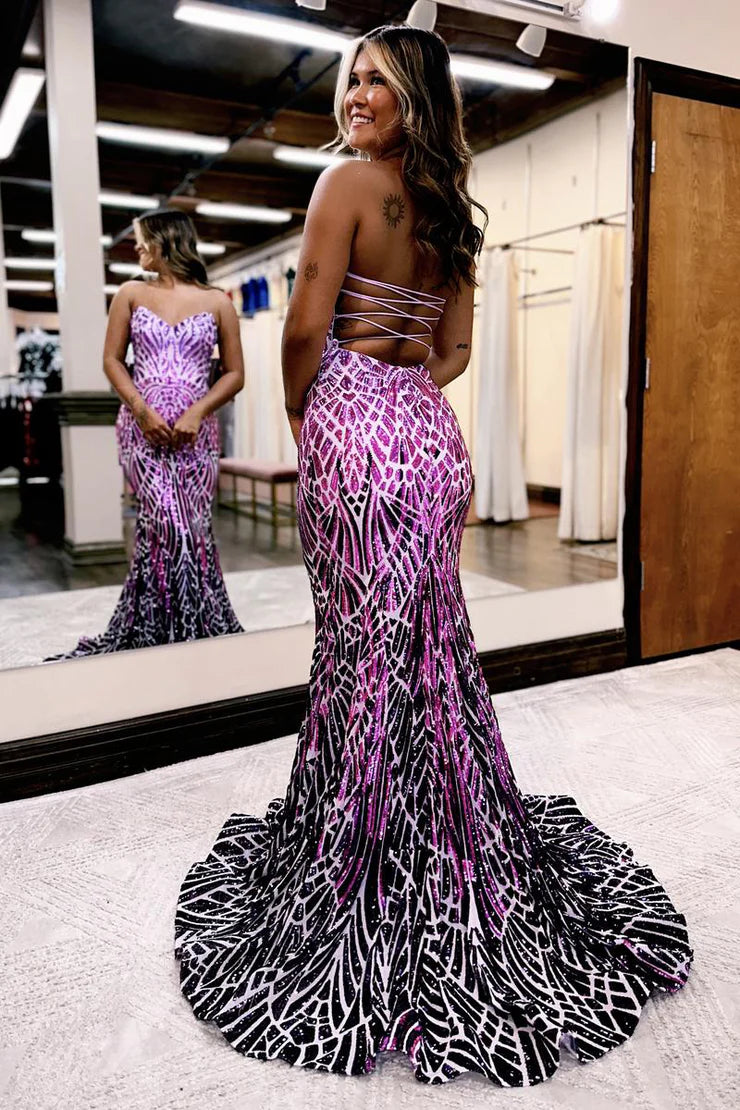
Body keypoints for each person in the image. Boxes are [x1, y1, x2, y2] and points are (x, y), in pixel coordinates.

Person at [174, 26, 692, 1087]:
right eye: (351, 79)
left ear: (415, 94)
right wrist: (403, 381)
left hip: (356, 431)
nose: (356, 95)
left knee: (357, 653)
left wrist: (316, 415)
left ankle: (361, 859)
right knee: (427, 649)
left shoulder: (344, 187)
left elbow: (302, 333)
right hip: (427, 439)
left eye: (376, 80)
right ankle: (447, 837)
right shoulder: (452, 213)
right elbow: (451, 350)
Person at [47, 210, 244, 659]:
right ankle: (177, 627)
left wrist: (198, 411)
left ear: (167, 240)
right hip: (142, 433)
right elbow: (112, 360)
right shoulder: (130, 293)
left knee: (192, 528)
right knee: (168, 524)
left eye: (142, 240)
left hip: (197, 436)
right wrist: (141, 411)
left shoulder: (218, 302)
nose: (136, 248)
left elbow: (235, 374)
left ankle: (171, 625)